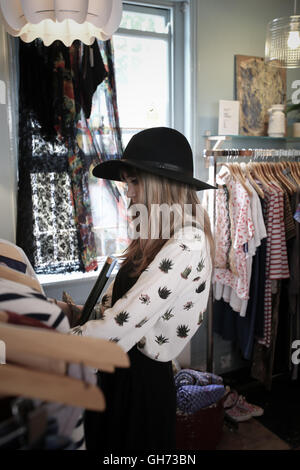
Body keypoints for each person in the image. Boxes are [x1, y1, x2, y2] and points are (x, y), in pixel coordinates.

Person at [70, 126, 215, 450]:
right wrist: (78, 313)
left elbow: (121, 325)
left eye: (135, 181)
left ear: (161, 185)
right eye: (127, 182)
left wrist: (43, 349)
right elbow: (119, 308)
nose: (128, 192)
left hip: (139, 386)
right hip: (117, 374)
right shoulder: (154, 237)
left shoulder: (187, 244)